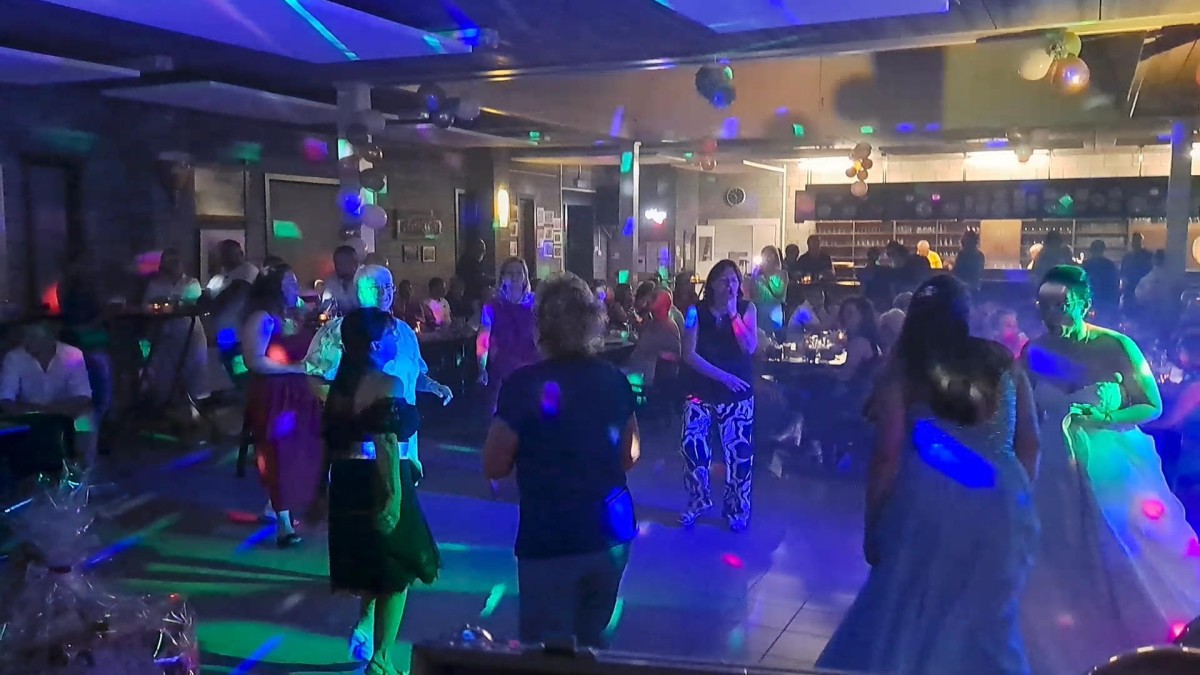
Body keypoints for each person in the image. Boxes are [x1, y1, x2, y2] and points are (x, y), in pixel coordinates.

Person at [816, 275, 1040, 675]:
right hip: (1002, 503)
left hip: (927, 503)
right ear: (965, 315)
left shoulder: (906, 370)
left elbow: (887, 455)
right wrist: (1016, 497)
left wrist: (873, 525)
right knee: (988, 620)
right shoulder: (1002, 361)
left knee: (908, 612)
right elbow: (1030, 443)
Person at [1021, 264, 1200, 674]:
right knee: (1054, 551)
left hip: (1114, 462)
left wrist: (1103, 415)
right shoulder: (1033, 352)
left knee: (1128, 542)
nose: (1052, 313)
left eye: (1061, 304)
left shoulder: (1117, 345)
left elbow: (1151, 404)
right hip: (1053, 463)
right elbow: (1021, 408)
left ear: (1084, 303)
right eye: (1044, 305)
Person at [482, 272, 640, 648]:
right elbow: (631, 453)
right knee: (592, 642)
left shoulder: (522, 385)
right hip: (612, 529)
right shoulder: (614, 379)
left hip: (551, 532)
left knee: (546, 649)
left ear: (541, 326)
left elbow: (494, 464)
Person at [323, 307, 445, 675]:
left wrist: (318, 492)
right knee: (397, 570)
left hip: (346, 479)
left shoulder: (340, 386)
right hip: (379, 477)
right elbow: (387, 444)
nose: (398, 339)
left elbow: (329, 442)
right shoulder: (387, 384)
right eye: (391, 334)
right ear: (375, 344)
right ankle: (381, 659)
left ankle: (366, 633)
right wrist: (394, 495)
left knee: (372, 563)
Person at [241, 265, 324, 547]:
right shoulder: (261, 318)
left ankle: (284, 506)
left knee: (304, 452)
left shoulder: (293, 315)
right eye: (289, 283)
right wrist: (294, 368)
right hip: (274, 395)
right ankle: (284, 524)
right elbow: (254, 361)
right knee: (279, 454)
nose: (295, 287)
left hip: (300, 393)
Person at [679, 260, 758, 531]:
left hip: (738, 395)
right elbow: (688, 353)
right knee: (692, 445)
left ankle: (737, 507)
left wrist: (733, 314)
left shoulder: (748, 310)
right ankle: (698, 498)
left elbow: (749, 346)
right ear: (712, 284)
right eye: (724, 280)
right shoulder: (695, 312)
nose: (730, 285)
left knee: (739, 454)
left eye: (734, 280)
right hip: (702, 390)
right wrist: (722, 376)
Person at [0, 321, 97, 468]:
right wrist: (36, 412)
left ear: (50, 339)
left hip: (66, 412)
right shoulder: (13, 358)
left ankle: (82, 468)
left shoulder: (73, 355)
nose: (27, 342)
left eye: (33, 337)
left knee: (85, 421)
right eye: (26, 337)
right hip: (29, 415)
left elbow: (83, 396)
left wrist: (53, 411)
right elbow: (6, 399)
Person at [143, 249, 210, 411]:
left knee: (195, 370)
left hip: (190, 333)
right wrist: (159, 305)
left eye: (174, 262)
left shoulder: (191, 283)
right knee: (165, 372)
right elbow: (147, 307)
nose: (171, 266)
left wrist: (169, 304)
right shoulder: (155, 284)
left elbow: (190, 304)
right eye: (167, 262)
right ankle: (167, 409)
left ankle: (196, 410)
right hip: (165, 334)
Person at [476, 258, 539, 413]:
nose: (515, 277)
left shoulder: (536, 303)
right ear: (502, 277)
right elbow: (483, 339)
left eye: (519, 273)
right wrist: (482, 368)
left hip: (533, 366)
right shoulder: (492, 306)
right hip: (503, 369)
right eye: (510, 273)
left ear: (525, 276)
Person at [626, 290, 681, 387]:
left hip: (649, 375)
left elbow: (676, 356)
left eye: (654, 298)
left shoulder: (669, 327)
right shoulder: (653, 323)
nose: (649, 301)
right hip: (637, 368)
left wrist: (657, 354)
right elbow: (646, 340)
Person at [751, 245, 788, 337]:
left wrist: (767, 276)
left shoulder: (782, 274)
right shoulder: (759, 276)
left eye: (770, 256)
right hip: (760, 315)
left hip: (774, 316)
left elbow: (778, 294)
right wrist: (753, 277)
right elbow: (752, 294)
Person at [1081, 240, 1120, 321]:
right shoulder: (1110, 265)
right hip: (1105, 303)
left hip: (1095, 302)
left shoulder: (1086, 265)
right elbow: (1115, 285)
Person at [320, 245, 362, 316]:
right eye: (336, 263)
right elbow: (326, 308)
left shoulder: (367, 279)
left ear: (354, 263)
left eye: (342, 263)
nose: (338, 267)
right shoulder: (331, 282)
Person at [1121, 232, 1154, 311]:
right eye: (1134, 241)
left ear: (1141, 241)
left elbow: (1151, 271)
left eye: (1137, 240)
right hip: (1129, 290)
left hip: (1143, 290)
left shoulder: (1148, 256)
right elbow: (1122, 274)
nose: (1135, 243)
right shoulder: (1127, 257)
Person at [455, 238, 489, 306]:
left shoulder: (476, 263)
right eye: (479, 250)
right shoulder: (467, 262)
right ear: (473, 250)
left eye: (483, 251)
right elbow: (476, 278)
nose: (482, 253)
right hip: (468, 298)